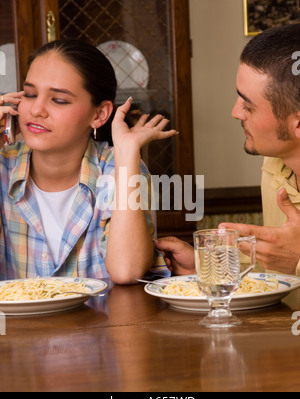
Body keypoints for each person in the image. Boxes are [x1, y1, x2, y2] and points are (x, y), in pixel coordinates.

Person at [0, 39, 177, 284]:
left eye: (58, 100)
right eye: (30, 94)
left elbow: (127, 270)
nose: (36, 109)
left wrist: (127, 155)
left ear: (99, 114)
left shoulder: (117, 168)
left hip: (101, 323)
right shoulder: (3, 165)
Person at [156, 23, 300, 276]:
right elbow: (275, 266)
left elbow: (290, 261)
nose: (235, 113)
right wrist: (206, 266)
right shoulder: (274, 163)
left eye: (248, 105)